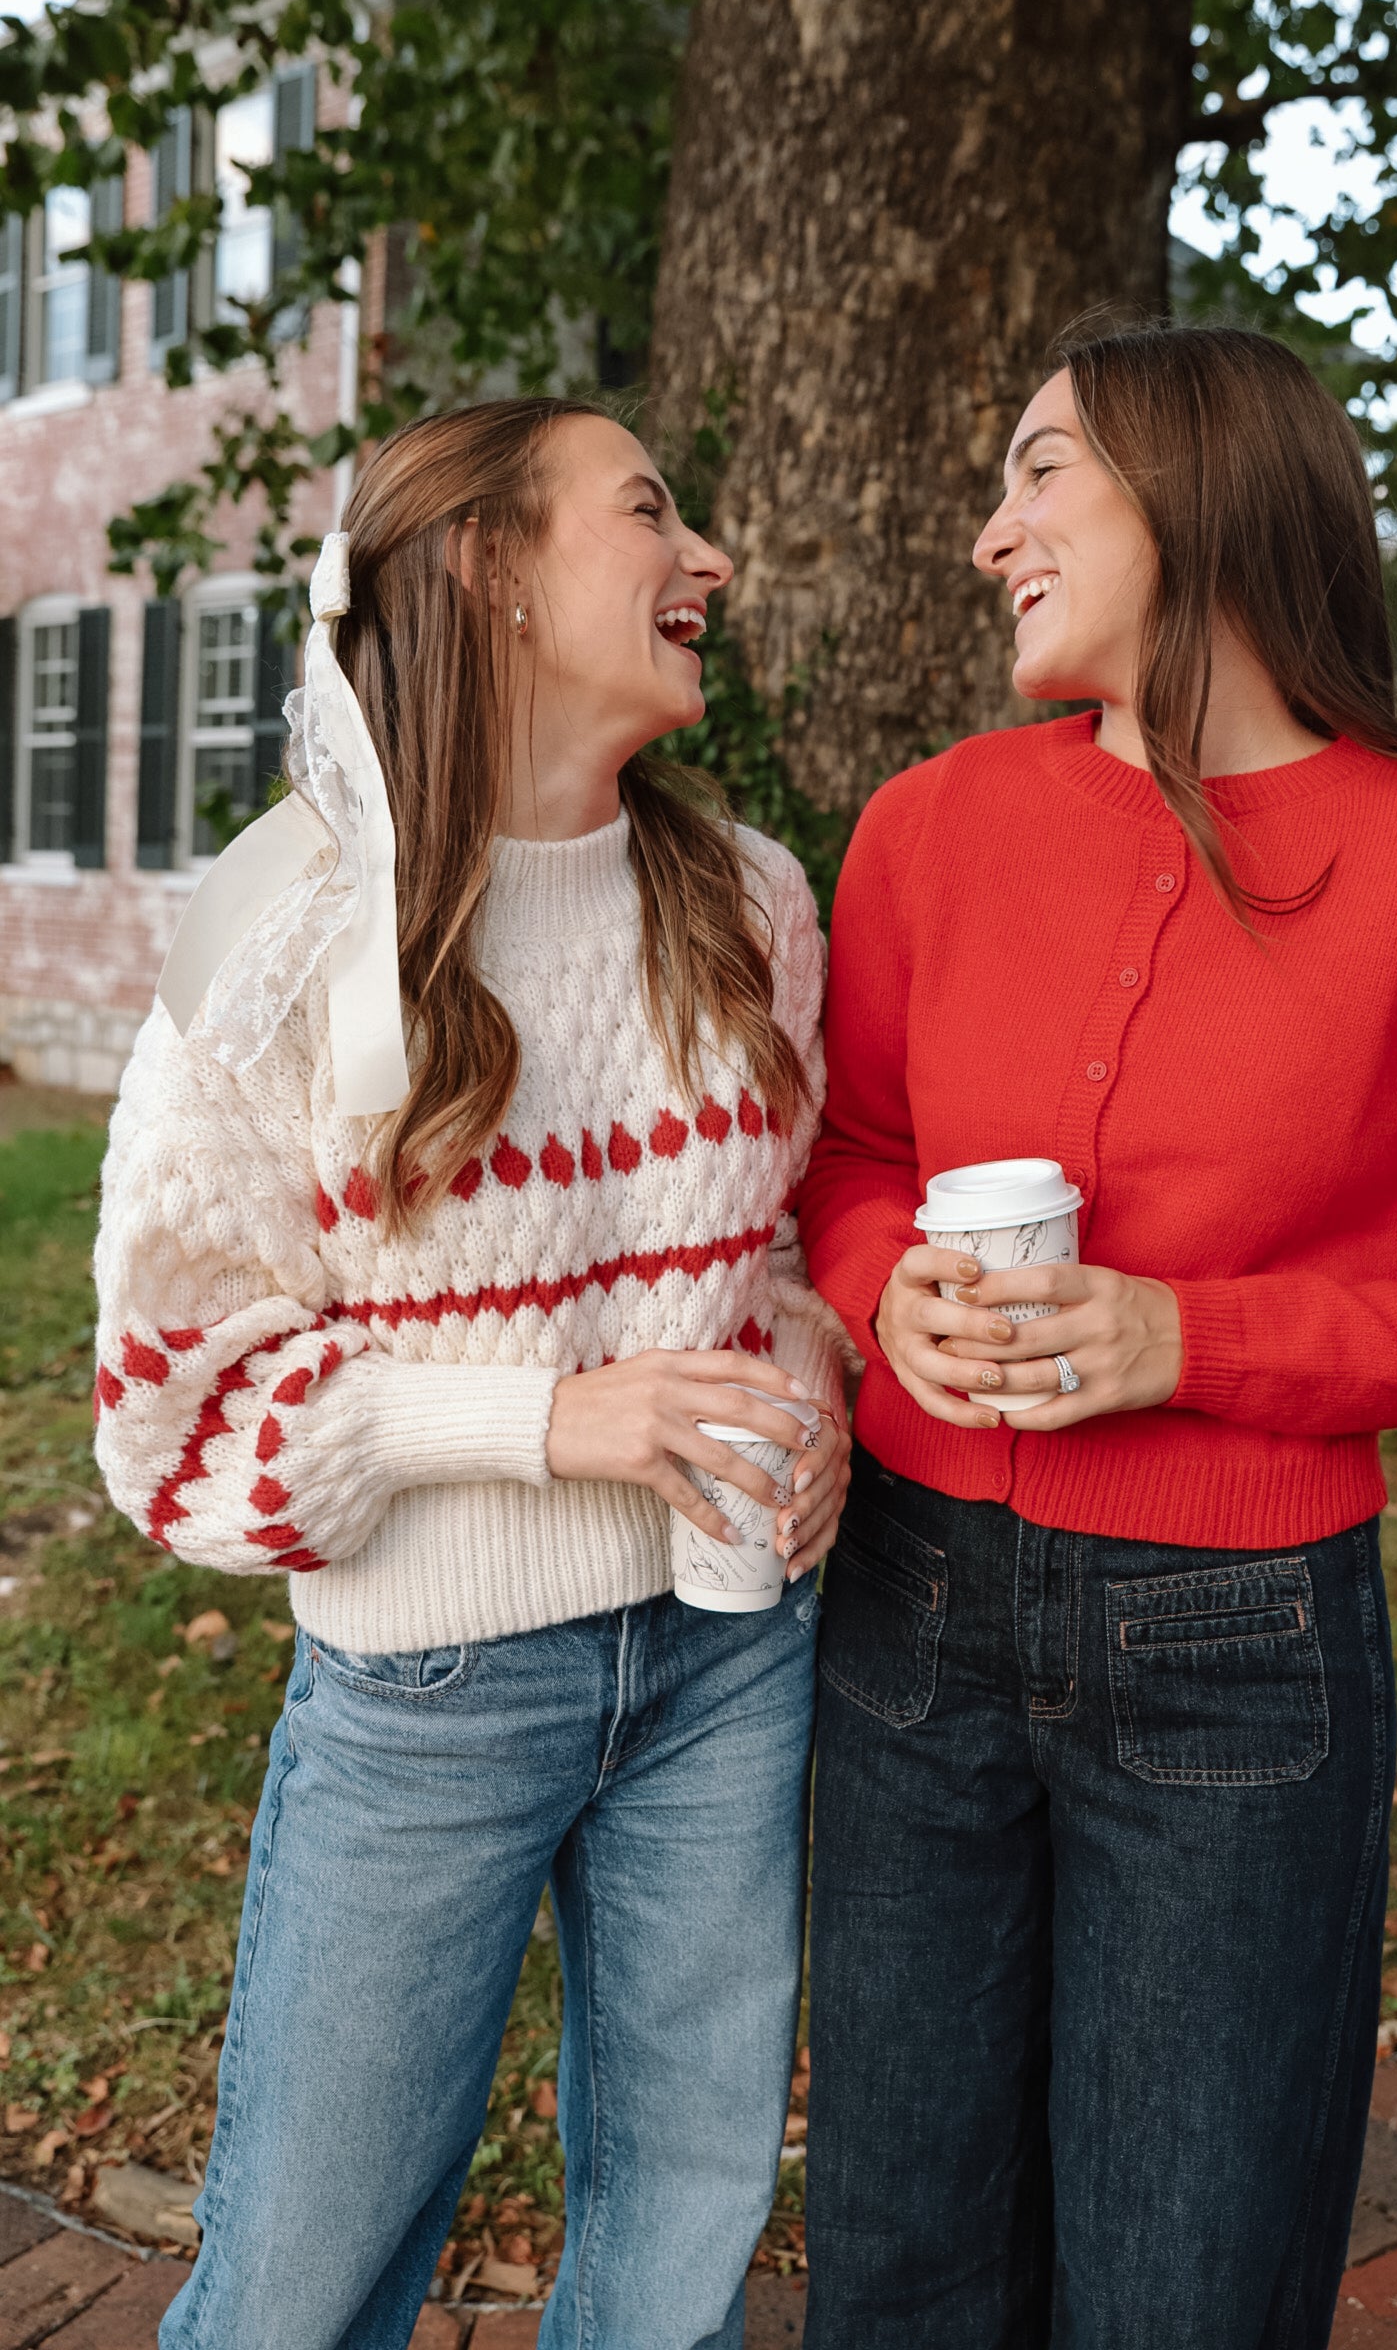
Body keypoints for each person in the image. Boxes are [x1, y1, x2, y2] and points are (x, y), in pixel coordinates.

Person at [793, 323, 1397, 2350]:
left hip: (1234, 1653)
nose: (991, 533)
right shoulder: (924, 829)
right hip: (906, 1618)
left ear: (1197, 489)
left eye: (1037, 470)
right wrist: (877, 1284)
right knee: (898, 2263)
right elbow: (850, 1167)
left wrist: (1190, 1343)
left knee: (1179, 2276)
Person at [92, 396, 848, 2350]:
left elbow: (758, 1253)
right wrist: (539, 1418)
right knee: (298, 2276)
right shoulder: (280, 939)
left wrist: (807, 1382)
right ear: (491, 572)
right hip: (426, 1694)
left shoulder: (751, 905)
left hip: (728, 1653)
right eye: (649, 516)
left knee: (683, 2230)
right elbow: (170, 1409)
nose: (708, 566)